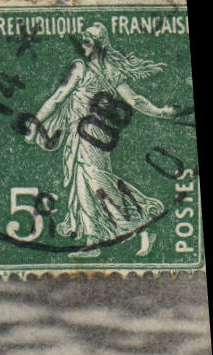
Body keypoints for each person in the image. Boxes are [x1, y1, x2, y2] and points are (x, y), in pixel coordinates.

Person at [26, 24, 180, 251]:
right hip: (82, 135)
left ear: (99, 45)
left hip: (92, 135)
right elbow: (58, 97)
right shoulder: (86, 68)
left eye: (88, 41)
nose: (83, 45)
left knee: (97, 181)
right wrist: (37, 122)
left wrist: (158, 111)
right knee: (83, 184)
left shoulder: (105, 70)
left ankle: (142, 223)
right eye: (83, 40)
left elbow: (134, 100)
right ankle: (93, 239)